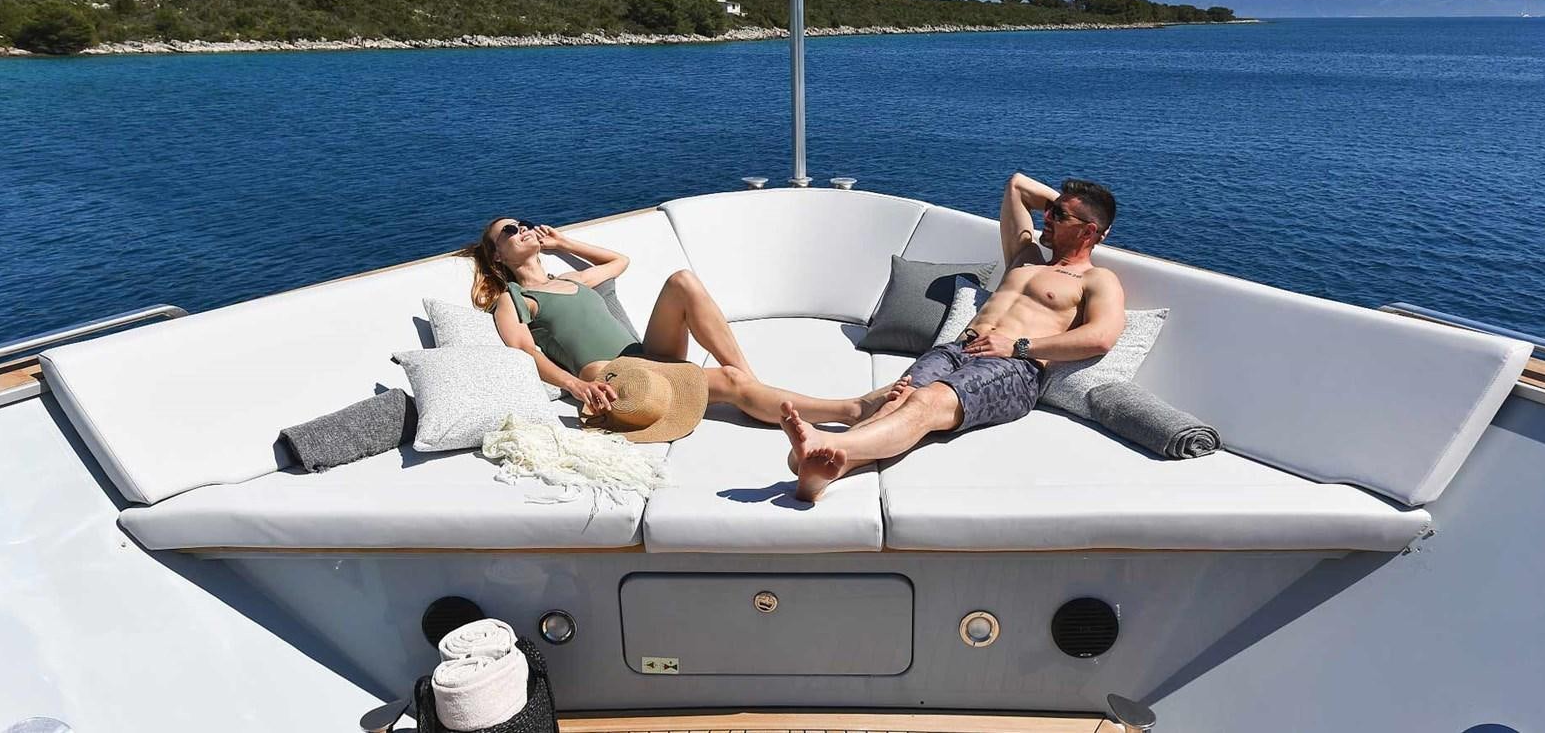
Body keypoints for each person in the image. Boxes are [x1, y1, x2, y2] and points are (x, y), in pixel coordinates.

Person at [778, 174, 1128, 501]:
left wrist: (1018, 346)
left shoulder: (1096, 279)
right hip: (956, 350)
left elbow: (1100, 337)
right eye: (1048, 211)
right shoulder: (1027, 258)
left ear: (1088, 232)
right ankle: (821, 471)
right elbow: (1017, 186)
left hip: (1013, 367)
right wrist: (1066, 206)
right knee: (898, 400)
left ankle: (829, 443)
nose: (1046, 218)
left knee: (925, 404)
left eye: (1059, 216)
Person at [469, 217, 887, 423]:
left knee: (682, 281)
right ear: (498, 257)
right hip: (616, 376)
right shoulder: (513, 297)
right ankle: (850, 410)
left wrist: (562, 242)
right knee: (731, 384)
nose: (521, 229)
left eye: (523, 224)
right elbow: (522, 349)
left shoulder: (574, 278)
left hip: (647, 355)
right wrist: (576, 386)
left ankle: (750, 386)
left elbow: (620, 261)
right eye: (509, 231)